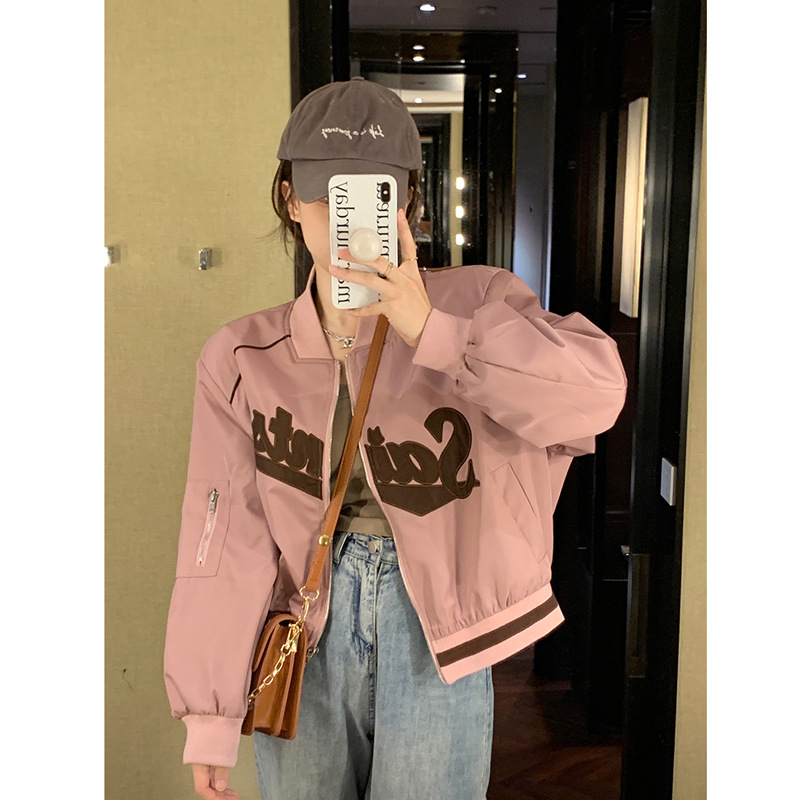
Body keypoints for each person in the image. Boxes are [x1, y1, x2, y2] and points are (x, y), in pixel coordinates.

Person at [164, 76, 628, 800]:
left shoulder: (478, 300)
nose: (343, 222)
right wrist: (211, 709)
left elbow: (595, 398)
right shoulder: (243, 355)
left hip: (440, 624)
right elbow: (225, 535)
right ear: (290, 199)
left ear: (405, 203)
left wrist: (432, 330)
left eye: (368, 198)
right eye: (325, 196)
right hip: (304, 626)